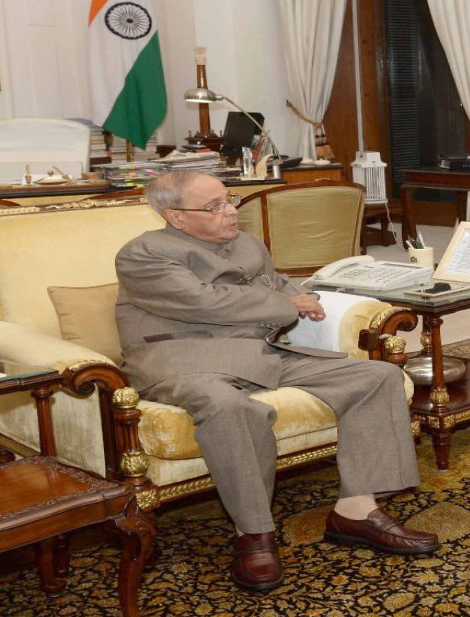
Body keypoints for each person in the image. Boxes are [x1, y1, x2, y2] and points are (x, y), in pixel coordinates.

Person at [115, 171, 439, 592]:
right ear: (176, 216)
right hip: (185, 360)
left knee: (376, 376)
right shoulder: (144, 253)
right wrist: (288, 304)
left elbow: (279, 284)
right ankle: (253, 533)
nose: (231, 211)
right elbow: (203, 301)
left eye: (229, 199)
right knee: (231, 407)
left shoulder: (247, 244)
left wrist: (312, 298)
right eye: (214, 207)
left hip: (260, 353)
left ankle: (356, 510)